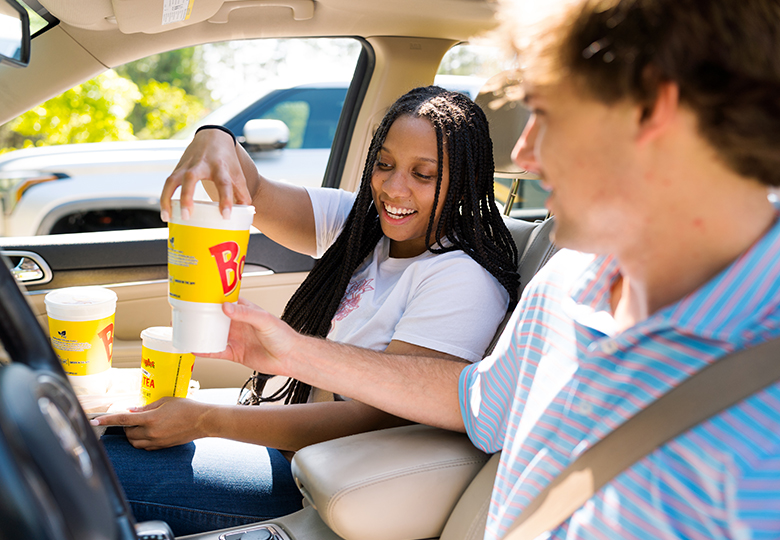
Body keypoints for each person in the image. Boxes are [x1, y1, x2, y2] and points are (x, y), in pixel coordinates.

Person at [196, 0, 780, 538]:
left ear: (653, 109)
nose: (523, 154)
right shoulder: (569, 280)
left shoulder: (761, 427)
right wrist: (292, 352)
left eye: (547, 114)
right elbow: (472, 400)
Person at [93, 86, 520, 535]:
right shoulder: (360, 228)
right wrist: (213, 136)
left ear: (465, 182)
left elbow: (380, 418)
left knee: (80, 469)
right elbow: (251, 188)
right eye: (385, 165)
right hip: (283, 447)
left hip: (319, 481)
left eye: (424, 174)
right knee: (82, 442)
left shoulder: (461, 278)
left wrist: (205, 419)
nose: (395, 188)